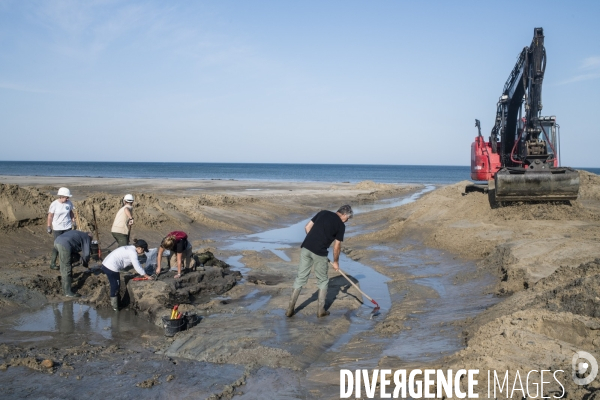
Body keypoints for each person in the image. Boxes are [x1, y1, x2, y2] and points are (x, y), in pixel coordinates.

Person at [285, 205, 353, 318]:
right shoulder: (341, 225)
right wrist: (336, 262)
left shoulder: (323, 212)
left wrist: (313, 240)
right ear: (344, 215)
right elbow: (337, 246)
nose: (347, 220)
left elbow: (307, 227)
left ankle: (289, 310)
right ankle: (321, 311)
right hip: (319, 252)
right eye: (348, 218)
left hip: (306, 247)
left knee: (300, 278)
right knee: (323, 281)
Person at [101, 239, 153, 311]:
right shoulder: (133, 253)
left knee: (116, 285)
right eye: (143, 250)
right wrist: (146, 276)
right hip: (111, 267)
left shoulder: (129, 248)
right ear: (140, 248)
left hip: (106, 264)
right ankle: (115, 309)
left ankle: (118, 304)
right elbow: (137, 266)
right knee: (115, 287)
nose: (143, 252)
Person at [54, 230, 92, 298]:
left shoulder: (79, 234)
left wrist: (81, 259)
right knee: (66, 267)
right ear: (89, 237)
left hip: (57, 241)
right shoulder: (87, 237)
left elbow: (75, 249)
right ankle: (67, 292)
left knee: (68, 261)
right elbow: (86, 254)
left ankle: (69, 280)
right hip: (65, 244)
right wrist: (85, 262)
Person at [47, 187, 75, 270]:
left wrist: (73, 221)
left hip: (67, 227)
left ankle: (67, 261)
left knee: (68, 244)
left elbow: (71, 212)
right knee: (57, 246)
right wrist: (48, 226)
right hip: (58, 228)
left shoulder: (69, 203)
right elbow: (50, 216)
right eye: (66, 197)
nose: (68, 198)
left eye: (68, 197)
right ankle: (52, 263)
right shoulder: (54, 204)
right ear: (61, 196)